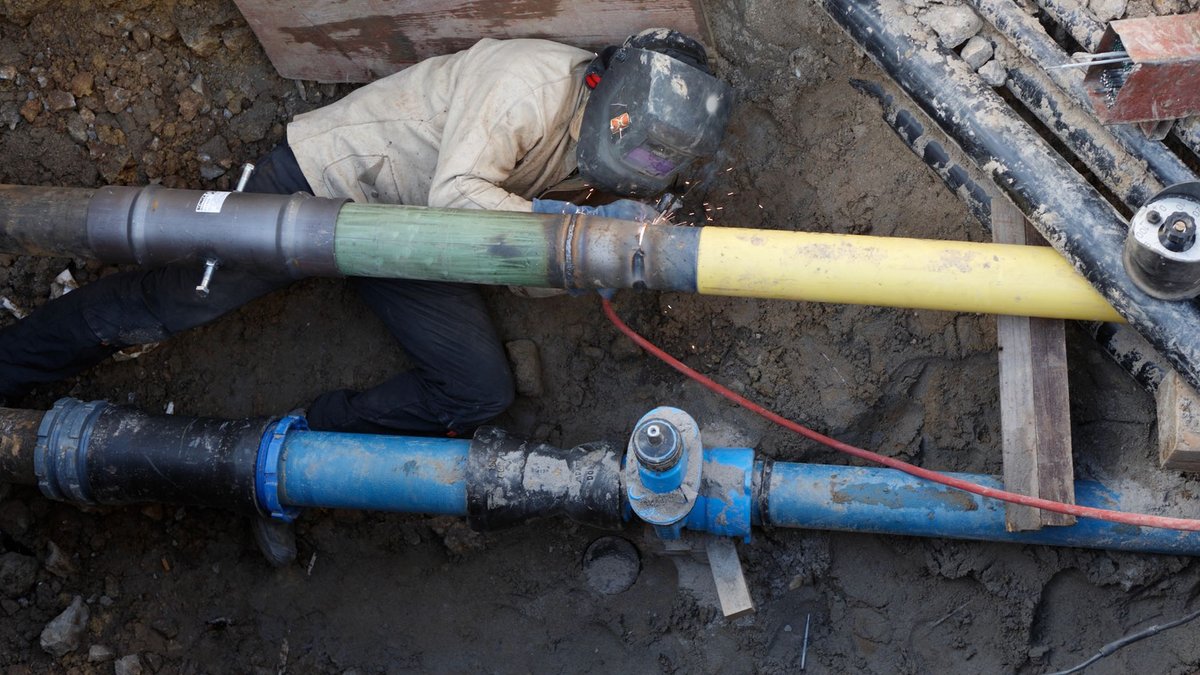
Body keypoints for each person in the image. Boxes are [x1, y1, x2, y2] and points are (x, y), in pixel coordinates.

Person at [0, 28, 731, 564]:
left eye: (658, 160)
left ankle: (296, 440)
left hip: (412, 241)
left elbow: (503, 254)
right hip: (321, 191)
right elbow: (459, 197)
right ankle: (12, 367)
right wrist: (573, 234)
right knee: (161, 305)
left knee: (475, 391)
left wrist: (581, 260)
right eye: (642, 146)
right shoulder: (531, 84)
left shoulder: (593, 161)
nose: (644, 165)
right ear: (613, 96)